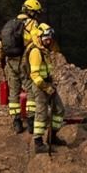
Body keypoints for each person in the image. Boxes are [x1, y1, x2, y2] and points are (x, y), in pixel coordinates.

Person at [0, 0, 44, 133]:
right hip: (25, 61)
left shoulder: (10, 24)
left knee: (13, 93)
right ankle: (30, 121)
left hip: (10, 62)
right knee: (30, 91)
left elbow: (1, 45)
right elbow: (36, 41)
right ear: (31, 12)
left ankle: (16, 122)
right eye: (36, 12)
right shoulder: (32, 24)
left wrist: (1, 60)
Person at [28, 23, 66, 154]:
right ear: (40, 38)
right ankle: (38, 143)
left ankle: (52, 137)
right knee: (41, 114)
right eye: (46, 39)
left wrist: (51, 84)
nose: (48, 41)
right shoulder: (36, 52)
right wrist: (45, 87)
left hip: (49, 85)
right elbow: (34, 74)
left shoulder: (45, 51)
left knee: (59, 110)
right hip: (40, 86)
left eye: (50, 39)